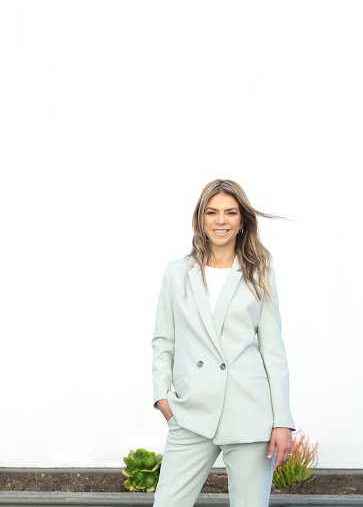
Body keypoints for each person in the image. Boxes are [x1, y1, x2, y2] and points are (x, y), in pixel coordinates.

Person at [151, 179, 294, 507]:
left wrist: (282, 420)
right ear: (201, 218)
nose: (221, 220)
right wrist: (162, 397)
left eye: (230, 212)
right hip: (192, 410)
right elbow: (163, 339)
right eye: (212, 212)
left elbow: (273, 350)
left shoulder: (259, 272)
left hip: (249, 410)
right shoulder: (177, 272)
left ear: (242, 220)